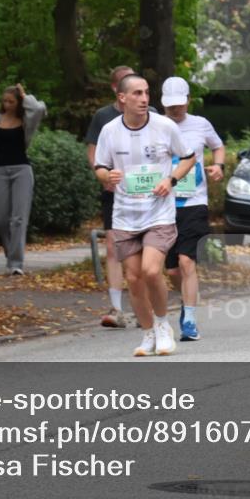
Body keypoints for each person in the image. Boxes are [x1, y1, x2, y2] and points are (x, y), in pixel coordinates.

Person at [93, 74, 195, 357]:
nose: (144, 98)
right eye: (137, 93)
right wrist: (107, 175)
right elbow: (99, 166)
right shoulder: (110, 131)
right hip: (125, 215)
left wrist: (171, 180)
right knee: (134, 277)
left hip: (159, 213)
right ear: (122, 98)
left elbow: (188, 157)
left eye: (147, 93)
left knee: (151, 270)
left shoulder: (164, 126)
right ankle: (148, 333)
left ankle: (163, 326)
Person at [161, 77, 226, 341]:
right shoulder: (155, 125)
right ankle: (188, 297)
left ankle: (189, 318)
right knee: (172, 269)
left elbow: (218, 146)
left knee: (187, 261)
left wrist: (218, 166)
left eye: (179, 104)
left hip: (194, 202)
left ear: (188, 100)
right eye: (170, 105)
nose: (175, 110)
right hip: (163, 203)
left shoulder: (200, 124)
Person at [85, 65, 137, 328]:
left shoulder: (149, 114)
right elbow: (93, 153)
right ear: (116, 90)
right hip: (114, 191)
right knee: (114, 246)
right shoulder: (103, 117)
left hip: (145, 194)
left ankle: (143, 305)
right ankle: (116, 308)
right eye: (126, 84)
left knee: (143, 248)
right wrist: (103, 175)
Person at [0, 83, 46, 275]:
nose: (7, 104)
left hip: (21, 170)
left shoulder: (26, 120)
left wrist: (25, 95)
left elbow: (39, 108)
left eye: (12, 101)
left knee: (18, 219)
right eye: (4, 101)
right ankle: (12, 253)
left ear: (19, 102)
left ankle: (15, 264)